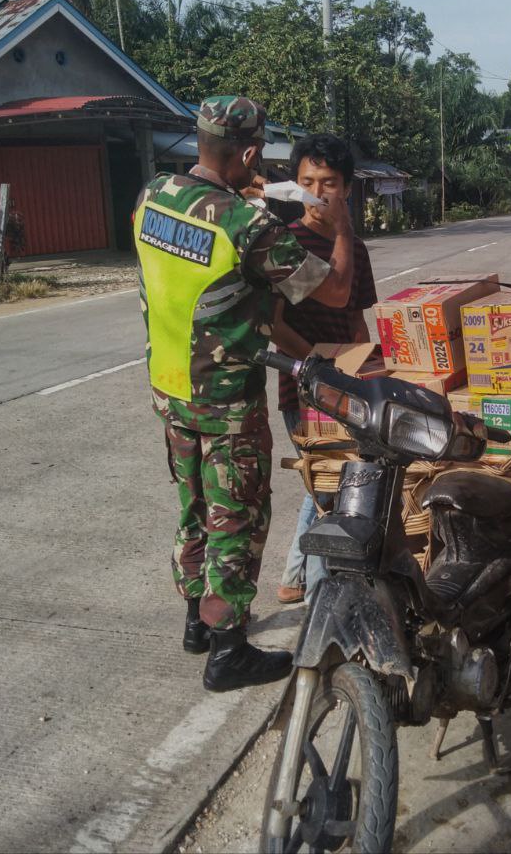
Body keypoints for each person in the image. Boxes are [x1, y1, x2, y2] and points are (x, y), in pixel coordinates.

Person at [134, 95, 356, 692]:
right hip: (227, 400)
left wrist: (244, 193)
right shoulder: (245, 224)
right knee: (237, 517)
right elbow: (332, 293)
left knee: (194, 509)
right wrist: (340, 225)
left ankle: (194, 623)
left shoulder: (152, 196)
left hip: (171, 390)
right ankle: (228, 649)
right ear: (252, 152)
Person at [270, 134, 379, 606]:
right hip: (303, 386)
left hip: (342, 384)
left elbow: (355, 315)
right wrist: (314, 366)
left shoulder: (354, 247)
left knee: (326, 480)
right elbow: (272, 324)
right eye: (307, 181)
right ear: (295, 186)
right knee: (329, 487)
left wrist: (365, 371)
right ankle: (319, 599)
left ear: (347, 188)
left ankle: (294, 577)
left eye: (329, 182)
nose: (318, 192)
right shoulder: (285, 243)